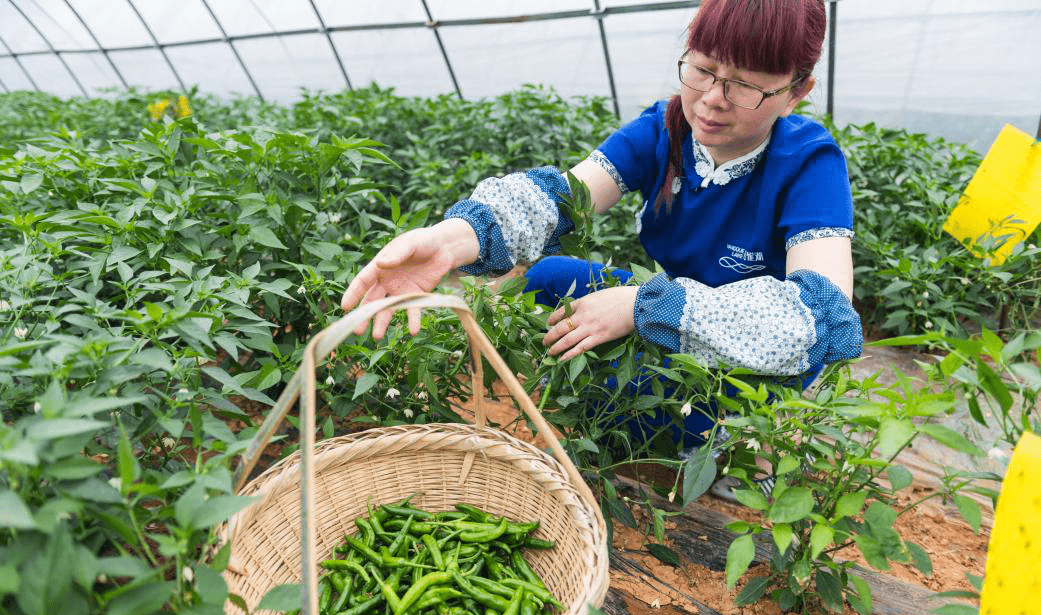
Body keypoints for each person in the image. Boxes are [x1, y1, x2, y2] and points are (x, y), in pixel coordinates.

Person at [340, 0, 862, 499]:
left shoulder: (809, 163)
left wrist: (640, 306)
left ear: (796, 92)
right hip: (666, 313)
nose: (711, 98)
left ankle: (741, 443)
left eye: (744, 85)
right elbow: (564, 197)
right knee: (545, 278)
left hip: (744, 360)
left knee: (630, 409)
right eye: (702, 70)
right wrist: (449, 240)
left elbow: (821, 316)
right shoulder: (665, 128)